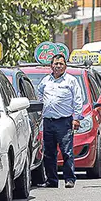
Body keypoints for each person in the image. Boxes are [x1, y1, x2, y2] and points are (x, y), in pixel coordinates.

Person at [35, 54, 85, 188]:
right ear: (51, 65)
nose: (58, 66)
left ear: (65, 66)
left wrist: (76, 119)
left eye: (61, 64)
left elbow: (78, 100)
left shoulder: (71, 81)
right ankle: (51, 180)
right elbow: (39, 94)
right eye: (56, 64)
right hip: (48, 121)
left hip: (64, 122)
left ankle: (69, 179)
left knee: (67, 152)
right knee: (49, 152)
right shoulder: (46, 80)